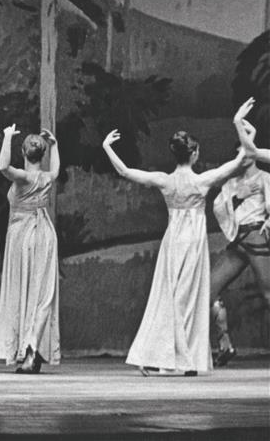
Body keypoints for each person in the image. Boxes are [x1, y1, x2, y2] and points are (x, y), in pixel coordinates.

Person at [101, 104, 253, 376]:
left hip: (174, 242)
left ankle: (178, 357)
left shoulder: (165, 181)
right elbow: (241, 161)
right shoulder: (201, 181)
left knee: (172, 297)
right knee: (187, 298)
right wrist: (242, 126)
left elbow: (125, 171)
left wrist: (107, 147)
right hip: (191, 243)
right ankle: (179, 358)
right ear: (194, 154)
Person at [0, 125, 61, 373]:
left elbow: (3, 166)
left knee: (22, 290)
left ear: (23, 152)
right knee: (42, 293)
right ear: (41, 155)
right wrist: (54, 145)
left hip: (23, 236)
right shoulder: (46, 177)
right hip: (45, 234)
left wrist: (6, 137)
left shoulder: (24, 177)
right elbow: (56, 169)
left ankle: (29, 347)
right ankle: (32, 345)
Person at [211, 134, 270, 366]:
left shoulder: (265, 177)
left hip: (256, 237)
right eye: (239, 154)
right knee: (209, 290)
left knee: (268, 294)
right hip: (238, 241)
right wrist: (238, 196)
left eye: (246, 153)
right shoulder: (231, 183)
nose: (243, 158)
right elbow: (219, 208)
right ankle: (225, 343)